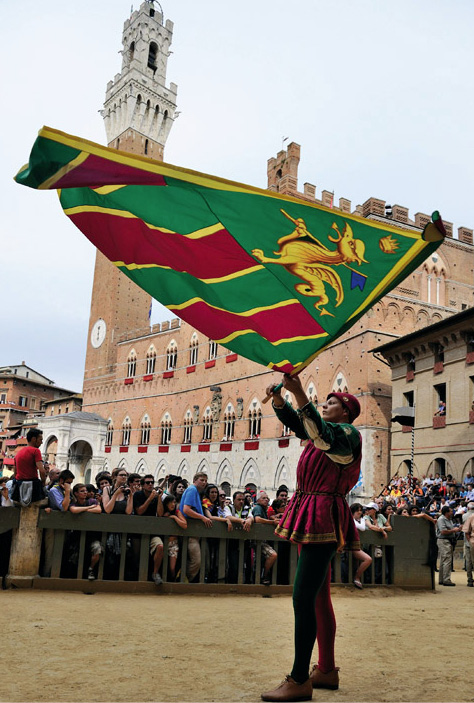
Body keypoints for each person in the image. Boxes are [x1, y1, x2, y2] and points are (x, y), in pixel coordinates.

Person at [261, 376, 362, 702]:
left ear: (345, 412)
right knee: (318, 597)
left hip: (323, 515)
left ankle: (300, 678)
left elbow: (318, 431)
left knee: (302, 598)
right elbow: (301, 424)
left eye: (332, 402)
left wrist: (299, 391)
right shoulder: (323, 432)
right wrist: (281, 400)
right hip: (314, 510)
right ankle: (327, 670)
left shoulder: (348, 434)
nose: (325, 405)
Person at [180, 472, 212, 582]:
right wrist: (203, 518)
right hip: (191, 532)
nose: (204, 483)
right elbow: (186, 509)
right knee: (196, 561)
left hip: (194, 532)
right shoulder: (192, 490)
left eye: (205, 481)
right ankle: (184, 581)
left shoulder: (196, 492)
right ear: (195, 480)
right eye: (201, 480)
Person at [68, 483, 103, 580]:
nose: (85, 493)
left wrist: (83, 510)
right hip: (76, 536)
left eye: (86, 491)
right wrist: (89, 508)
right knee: (74, 557)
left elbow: (98, 510)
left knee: (97, 549)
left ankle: (91, 569)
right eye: (82, 491)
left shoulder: (91, 501)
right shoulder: (73, 503)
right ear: (76, 493)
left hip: (92, 535)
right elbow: (74, 510)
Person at [11, 428, 46, 505]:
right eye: (40, 439)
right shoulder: (35, 451)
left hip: (19, 486)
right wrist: (43, 483)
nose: (41, 442)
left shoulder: (19, 453)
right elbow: (42, 471)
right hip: (33, 486)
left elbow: (15, 472)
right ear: (34, 439)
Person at [251, 490, 278, 586]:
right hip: (258, 540)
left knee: (260, 561)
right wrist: (272, 522)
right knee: (272, 555)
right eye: (263, 498)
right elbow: (257, 519)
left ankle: (260, 577)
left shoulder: (263, 509)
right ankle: (264, 576)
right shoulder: (258, 508)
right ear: (258, 500)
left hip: (261, 540)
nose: (266, 500)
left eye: (267, 498)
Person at [436, 505, 462, 586]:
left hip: (448, 540)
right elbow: (443, 531)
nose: (452, 512)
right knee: (447, 560)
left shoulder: (449, 519)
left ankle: (442, 579)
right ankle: (446, 579)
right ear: (446, 512)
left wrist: (457, 529)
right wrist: (453, 530)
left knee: (444, 560)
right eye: (450, 511)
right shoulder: (441, 519)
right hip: (443, 540)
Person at [349, 503, 372, 589]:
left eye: (360, 510)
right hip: (350, 545)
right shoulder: (350, 519)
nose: (359, 512)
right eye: (357, 510)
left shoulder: (360, 520)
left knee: (367, 559)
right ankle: (356, 577)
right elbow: (362, 528)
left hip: (355, 546)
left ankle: (357, 577)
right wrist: (362, 520)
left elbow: (362, 528)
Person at [461, 501, 474, 587]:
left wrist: (469, 540)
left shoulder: (465, 516)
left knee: (469, 561)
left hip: (469, 541)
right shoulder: (471, 516)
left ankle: (470, 580)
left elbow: (466, 532)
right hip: (471, 541)